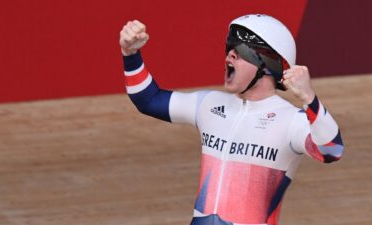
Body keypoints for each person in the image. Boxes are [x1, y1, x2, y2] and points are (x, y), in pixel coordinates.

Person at [119, 14, 344, 225]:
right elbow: (148, 100)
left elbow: (332, 151)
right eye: (229, 48)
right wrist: (131, 55)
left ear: (268, 65)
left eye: (241, 51)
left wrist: (309, 98)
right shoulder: (209, 104)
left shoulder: (290, 120)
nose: (230, 55)